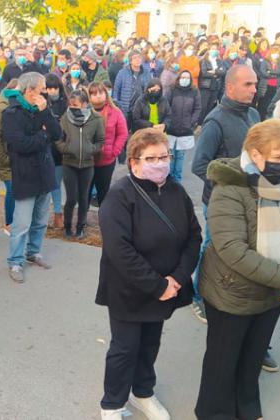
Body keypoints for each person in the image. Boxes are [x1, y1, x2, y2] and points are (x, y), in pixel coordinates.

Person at [195, 119, 280, 420]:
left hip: (274, 291)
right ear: (255, 155)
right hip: (232, 291)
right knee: (222, 360)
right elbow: (233, 250)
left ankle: (247, 408)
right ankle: (214, 412)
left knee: (253, 356)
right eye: (277, 157)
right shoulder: (229, 186)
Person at [96, 127, 202, 420]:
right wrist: (157, 286)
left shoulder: (176, 191)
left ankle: (143, 393)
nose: (160, 163)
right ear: (134, 161)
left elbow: (194, 236)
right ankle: (112, 403)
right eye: (151, 157)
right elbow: (119, 250)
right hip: (129, 290)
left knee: (150, 343)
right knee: (124, 349)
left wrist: (178, 278)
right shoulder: (119, 196)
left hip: (168, 285)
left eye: (164, 156)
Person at [190, 64, 259, 327]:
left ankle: (227, 292)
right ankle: (198, 296)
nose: (254, 89)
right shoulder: (215, 121)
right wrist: (234, 180)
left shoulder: (253, 114)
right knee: (212, 248)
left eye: (254, 84)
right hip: (219, 201)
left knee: (238, 249)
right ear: (230, 87)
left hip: (249, 199)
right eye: (248, 85)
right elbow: (199, 165)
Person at [2, 72, 62, 283]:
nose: (45, 92)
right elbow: (20, 145)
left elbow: (57, 133)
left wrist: (46, 114)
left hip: (45, 173)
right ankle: (15, 261)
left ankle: (33, 252)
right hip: (25, 175)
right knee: (22, 224)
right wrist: (43, 136)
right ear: (29, 91)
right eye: (42, 88)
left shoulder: (43, 108)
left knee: (39, 221)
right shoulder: (11, 113)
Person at [56, 88, 105, 239]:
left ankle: (80, 226)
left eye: (76, 104)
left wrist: (91, 150)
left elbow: (100, 140)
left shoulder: (96, 119)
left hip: (87, 165)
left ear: (84, 104)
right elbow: (58, 138)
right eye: (71, 104)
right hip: (69, 163)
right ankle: (67, 225)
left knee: (84, 198)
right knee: (71, 198)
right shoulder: (65, 117)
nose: (72, 107)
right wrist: (66, 148)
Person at [89, 81, 128, 205]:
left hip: (106, 160)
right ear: (89, 96)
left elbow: (123, 133)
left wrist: (114, 152)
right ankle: (82, 220)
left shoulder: (115, 112)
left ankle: (103, 218)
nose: (98, 96)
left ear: (106, 94)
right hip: (87, 160)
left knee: (103, 192)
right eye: (94, 93)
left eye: (101, 92)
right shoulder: (84, 111)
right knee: (85, 191)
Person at [0, 79, 20, 234]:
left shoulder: (20, 107)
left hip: (18, 158)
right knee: (12, 190)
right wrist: (3, 159)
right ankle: (9, 223)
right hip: (7, 160)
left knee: (17, 191)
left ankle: (16, 222)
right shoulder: (0, 109)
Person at [166, 70, 201, 183]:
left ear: (190, 80)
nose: (184, 79)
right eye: (182, 77)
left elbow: (197, 108)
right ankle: (168, 180)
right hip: (171, 129)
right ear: (179, 78)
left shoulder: (195, 92)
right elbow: (166, 106)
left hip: (185, 130)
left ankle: (177, 183)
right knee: (170, 156)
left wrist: (191, 122)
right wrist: (168, 121)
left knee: (180, 157)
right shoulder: (172, 90)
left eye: (187, 77)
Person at [45, 73, 69, 228]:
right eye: (49, 88)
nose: (52, 91)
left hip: (61, 148)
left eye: (55, 88)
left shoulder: (66, 103)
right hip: (46, 148)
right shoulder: (41, 101)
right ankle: (49, 214)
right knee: (49, 184)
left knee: (57, 183)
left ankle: (59, 213)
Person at [113, 50, 151, 131]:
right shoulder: (122, 72)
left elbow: (149, 89)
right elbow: (116, 90)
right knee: (124, 132)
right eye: (135, 58)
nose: (138, 60)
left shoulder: (146, 73)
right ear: (130, 61)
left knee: (139, 134)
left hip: (140, 108)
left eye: (139, 57)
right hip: (126, 108)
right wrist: (118, 105)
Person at [198, 46, 226, 124]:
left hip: (216, 86)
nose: (214, 50)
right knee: (203, 106)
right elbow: (204, 73)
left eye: (216, 49)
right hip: (205, 86)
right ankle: (199, 123)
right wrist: (217, 73)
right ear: (209, 50)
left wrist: (214, 72)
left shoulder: (219, 61)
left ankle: (207, 122)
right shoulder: (204, 60)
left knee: (210, 106)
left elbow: (223, 72)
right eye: (212, 49)